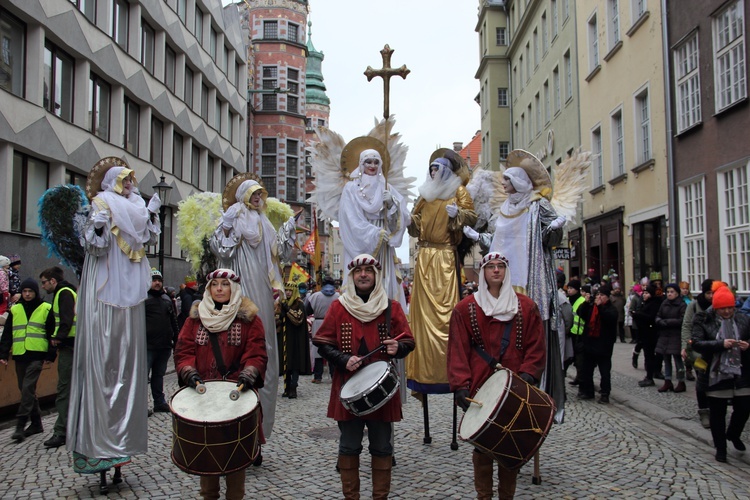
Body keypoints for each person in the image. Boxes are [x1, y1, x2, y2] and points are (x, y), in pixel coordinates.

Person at [67, 159, 161, 492]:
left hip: (129, 299)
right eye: (124, 179)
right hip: (105, 291)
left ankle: (121, 449)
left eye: (132, 179)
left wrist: (150, 214)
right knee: (102, 364)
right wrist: (99, 226)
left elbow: (145, 238)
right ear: (112, 182)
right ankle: (98, 446)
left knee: (127, 369)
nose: (131, 184)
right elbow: (95, 246)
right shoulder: (101, 203)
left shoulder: (135, 207)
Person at [312, 254, 415, 500]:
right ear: (352, 276)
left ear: (376, 275)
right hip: (348, 385)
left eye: (368, 270)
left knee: (382, 447)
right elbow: (322, 342)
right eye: (358, 271)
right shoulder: (340, 306)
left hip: (382, 390)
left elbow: (408, 341)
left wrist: (397, 348)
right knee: (348, 446)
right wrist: (342, 359)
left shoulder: (391, 307)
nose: (363, 275)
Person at [447, 253, 546, 499]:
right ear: (483, 272)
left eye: (500, 266)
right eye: (490, 266)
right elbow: (458, 349)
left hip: (515, 386)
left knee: (509, 447)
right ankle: (484, 497)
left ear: (506, 271)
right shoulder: (465, 308)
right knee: (482, 448)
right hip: (480, 388)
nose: (495, 271)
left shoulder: (525, 306)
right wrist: (460, 385)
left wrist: (528, 376)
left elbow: (536, 346)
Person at [211, 177, 295, 445]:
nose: (258, 197)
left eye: (261, 193)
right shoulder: (235, 216)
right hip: (239, 283)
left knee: (264, 350)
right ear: (244, 195)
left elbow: (277, 253)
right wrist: (225, 226)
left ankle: (259, 428)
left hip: (260, 285)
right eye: (254, 193)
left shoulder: (265, 221)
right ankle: (230, 424)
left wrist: (289, 229)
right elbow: (222, 252)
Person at [174, 268, 268, 499]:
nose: (219, 289)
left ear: (233, 289)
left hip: (238, 396)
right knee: (208, 454)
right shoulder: (194, 319)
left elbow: (256, 352)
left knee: (236, 456)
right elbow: (183, 350)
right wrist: (188, 372)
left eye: (224, 284)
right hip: (204, 396)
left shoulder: (249, 320)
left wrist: (249, 373)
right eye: (214, 284)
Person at [407, 150, 476, 394]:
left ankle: (449, 370)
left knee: (446, 314)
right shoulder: (425, 195)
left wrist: (459, 215)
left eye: (437, 169)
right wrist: (408, 220)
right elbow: (415, 226)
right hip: (425, 258)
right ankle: (421, 371)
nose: (433, 173)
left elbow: (472, 217)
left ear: (446, 171)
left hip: (446, 256)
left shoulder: (458, 191)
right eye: (431, 170)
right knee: (422, 316)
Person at [338, 148, 410, 309]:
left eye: (376, 162)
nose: (372, 165)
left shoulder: (387, 188)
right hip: (360, 241)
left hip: (383, 244)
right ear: (361, 164)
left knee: (383, 282)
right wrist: (374, 233)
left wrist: (392, 204)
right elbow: (350, 219)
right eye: (368, 161)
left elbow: (405, 217)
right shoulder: (350, 188)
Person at [691, 284, 750, 463]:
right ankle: (721, 449)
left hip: (741, 371)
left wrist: (748, 345)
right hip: (715, 372)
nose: (727, 311)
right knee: (717, 413)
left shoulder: (743, 319)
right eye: (723, 308)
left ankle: (733, 433)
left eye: (730, 307)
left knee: (744, 407)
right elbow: (697, 342)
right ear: (716, 307)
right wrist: (720, 344)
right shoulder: (703, 319)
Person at [0, 278, 55, 442]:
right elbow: (8, 332)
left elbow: (51, 333)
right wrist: (3, 354)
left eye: (30, 291)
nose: (27, 294)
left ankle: (20, 424)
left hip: (37, 355)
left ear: (36, 292)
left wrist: (51, 354)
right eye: (24, 291)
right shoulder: (15, 309)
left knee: (27, 388)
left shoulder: (46, 308)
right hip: (20, 355)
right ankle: (37, 423)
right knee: (26, 390)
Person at [38, 266, 77, 449]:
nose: (43, 286)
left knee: (64, 390)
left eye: (44, 282)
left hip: (70, 346)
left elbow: (66, 321)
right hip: (74, 346)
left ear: (53, 281)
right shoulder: (67, 292)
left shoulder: (64, 293)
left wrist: (57, 339)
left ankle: (61, 431)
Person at [578, 284, 619, 404]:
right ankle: (588, 391)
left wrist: (601, 307)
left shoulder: (611, 309)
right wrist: (586, 303)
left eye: (602, 295)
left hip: (604, 345)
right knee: (587, 370)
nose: (599, 297)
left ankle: (605, 393)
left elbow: (609, 318)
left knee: (605, 372)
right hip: (590, 343)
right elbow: (581, 313)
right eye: (598, 295)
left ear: (607, 297)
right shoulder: (592, 307)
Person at [145, 268, 179, 413]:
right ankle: (141, 404)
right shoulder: (143, 299)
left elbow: (173, 321)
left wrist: (177, 339)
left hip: (164, 346)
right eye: (154, 280)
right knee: (143, 377)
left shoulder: (166, 300)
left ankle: (159, 402)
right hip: (147, 346)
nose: (157, 283)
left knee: (159, 376)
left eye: (159, 280)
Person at [682, 279, 714, 428]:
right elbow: (687, 326)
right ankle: (704, 411)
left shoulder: (719, 306)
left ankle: (714, 409)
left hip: (715, 351)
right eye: (708, 293)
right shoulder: (694, 306)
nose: (711, 296)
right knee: (702, 379)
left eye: (713, 293)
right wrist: (685, 346)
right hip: (698, 352)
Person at [278, 282, 311, 399]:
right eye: (286, 290)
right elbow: (277, 320)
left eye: (290, 291)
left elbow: (298, 319)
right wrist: (280, 315)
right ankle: (286, 387)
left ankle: (293, 386)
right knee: (286, 363)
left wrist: (288, 310)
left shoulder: (299, 304)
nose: (288, 292)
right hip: (285, 337)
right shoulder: (281, 303)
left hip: (296, 338)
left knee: (295, 363)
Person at [655, 283, 688, 393]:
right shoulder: (664, 303)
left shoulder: (682, 305)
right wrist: (659, 321)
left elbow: (683, 320)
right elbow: (658, 315)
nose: (669, 294)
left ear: (677, 293)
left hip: (676, 335)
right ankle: (667, 380)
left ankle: (681, 381)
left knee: (678, 360)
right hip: (665, 335)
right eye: (668, 292)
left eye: (672, 292)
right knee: (666, 359)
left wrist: (667, 322)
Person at [306, 276, 339, 383]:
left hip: (319, 323)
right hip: (333, 323)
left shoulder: (315, 296)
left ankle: (318, 376)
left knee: (318, 349)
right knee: (333, 348)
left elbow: (308, 310)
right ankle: (334, 375)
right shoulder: (338, 296)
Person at [633, 285, 664, 387]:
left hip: (651, 333)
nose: (644, 295)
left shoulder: (654, 303)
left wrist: (638, 315)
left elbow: (651, 317)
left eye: (646, 293)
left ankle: (651, 376)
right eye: (644, 293)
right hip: (646, 333)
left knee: (651, 355)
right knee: (649, 355)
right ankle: (650, 375)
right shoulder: (646, 303)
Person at [564, 280, 590, 386]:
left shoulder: (581, 300)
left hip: (580, 333)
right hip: (571, 333)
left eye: (571, 288)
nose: (569, 290)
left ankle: (580, 378)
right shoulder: (567, 300)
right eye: (568, 288)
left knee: (579, 360)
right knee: (569, 357)